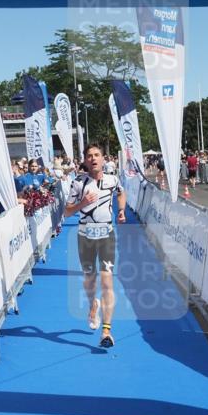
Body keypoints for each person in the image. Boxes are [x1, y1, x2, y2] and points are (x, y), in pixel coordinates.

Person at [64, 143, 126, 348]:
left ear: (103, 158)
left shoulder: (112, 179)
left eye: (97, 155)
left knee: (107, 282)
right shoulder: (78, 183)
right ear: (84, 160)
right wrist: (83, 203)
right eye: (89, 156)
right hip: (85, 236)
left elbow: (121, 192)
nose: (93, 159)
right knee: (89, 281)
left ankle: (106, 331)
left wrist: (122, 210)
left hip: (106, 235)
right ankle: (93, 304)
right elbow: (67, 212)